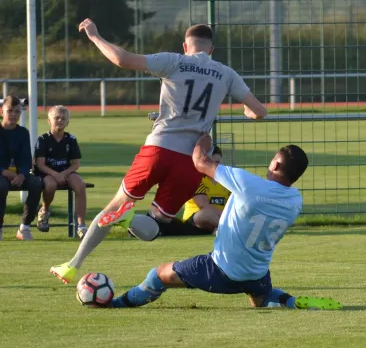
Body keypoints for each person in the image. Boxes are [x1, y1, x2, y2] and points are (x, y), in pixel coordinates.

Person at [50, 18, 267, 283]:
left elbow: (122, 59)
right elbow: (259, 112)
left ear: (185, 46)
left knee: (116, 204)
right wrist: (247, 111)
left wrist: (95, 37)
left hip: (159, 148)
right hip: (191, 161)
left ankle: (73, 264)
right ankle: (130, 221)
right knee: (155, 224)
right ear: (211, 50)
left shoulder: (175, 60)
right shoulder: (226, 73)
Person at [108, 134, 343, 311]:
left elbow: (200, 161)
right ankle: (291, 301)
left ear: (275, 165)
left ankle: (116, 305)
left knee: (158, 275)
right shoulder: (295, 200)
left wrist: (202, 134)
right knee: (262, 301)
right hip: (257, 273)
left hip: (222, 269)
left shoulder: (248, 183)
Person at [34, 105, 87, 239]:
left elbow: (76, 164)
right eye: (56, 118)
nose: (60, 120)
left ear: (67, 122)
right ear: (49, 120)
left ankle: (81, 226)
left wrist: (63, 174)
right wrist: (55, 174)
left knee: (80, 185)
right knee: (50, 185)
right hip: (47, 172)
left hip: (65, 171)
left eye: (63, 118)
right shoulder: (43, 139)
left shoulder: (71, 139)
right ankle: (44, 210)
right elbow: (40, 164)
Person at [0, 95, 43, 241]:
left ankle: (24, 227)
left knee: (36, 184)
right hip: (1, 173)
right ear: (2, 111)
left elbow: (26, 158)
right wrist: (4, 172)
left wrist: (23, 174)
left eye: (17, 112)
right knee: (1, 186)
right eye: (9, 111)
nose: (13, 115)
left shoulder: (23, 132)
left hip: (19, 174)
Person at [179, 145, 230, 235]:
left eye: (217, 162)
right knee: (203, 215)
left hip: (219, 220)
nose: (214, 166)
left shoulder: (227, 182)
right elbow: (204, 205)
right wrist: (227, 217)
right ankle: (227, 229)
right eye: (210, 162)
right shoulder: (197, 180)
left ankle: (219, 229)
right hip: (196, 222)